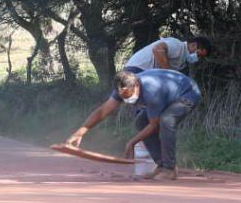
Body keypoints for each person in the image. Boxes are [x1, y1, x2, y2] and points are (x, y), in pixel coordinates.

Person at [66, 69, 201, 181]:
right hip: (168, 94)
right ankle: (161, 165)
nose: (126, 99)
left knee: (166, 121)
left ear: (137, 85)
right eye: (123, 96)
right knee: (140, 122)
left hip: (187, 93)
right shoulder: (122, 88)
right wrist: (80, 132)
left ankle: (169, 169)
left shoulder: (151, 91)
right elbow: (103, 111)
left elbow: (155, 125)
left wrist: (132, 142)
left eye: (128, 95)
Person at [123, 34, 213, 73]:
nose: (197, 58)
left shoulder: (182, 61)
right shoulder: (177, 45)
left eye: (200, 57)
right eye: (198, 55)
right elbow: (157, 49)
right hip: (138, 69)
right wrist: (169, 74)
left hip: (142, 71)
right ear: (193, 45)